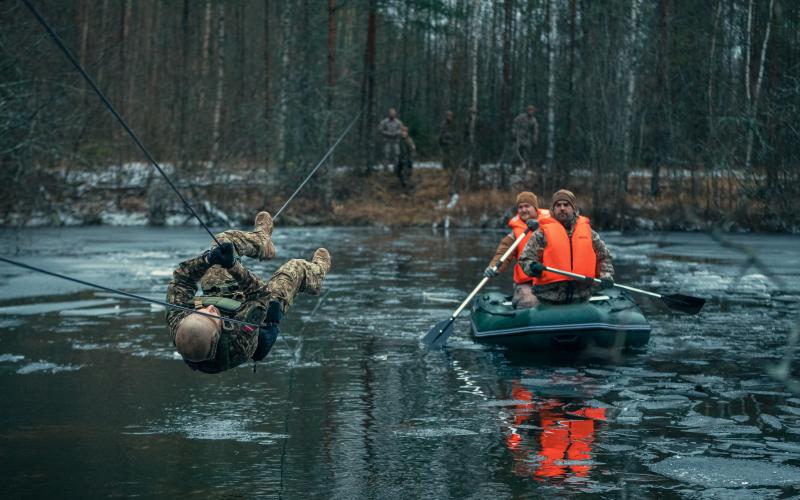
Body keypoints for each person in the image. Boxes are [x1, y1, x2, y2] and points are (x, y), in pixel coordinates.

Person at [166, 211, 331, 374]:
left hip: (221, 297)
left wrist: (209, 259)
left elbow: (182, 279)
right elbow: (261, 295)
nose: (210, 309)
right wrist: (232, 266)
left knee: (223, 242)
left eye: (201, 312)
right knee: (295, 269)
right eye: (213, 316)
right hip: (258, 312)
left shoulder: (177, 320)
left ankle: (262, 241)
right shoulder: (239, 341)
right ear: (218, 335)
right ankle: (316, 276)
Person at [519, 189, 614, 304]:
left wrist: (606, 275)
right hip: (549, 297)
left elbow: (604, 257)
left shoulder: (589, 232)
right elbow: (525, 259)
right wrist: (532, 267)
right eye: (558, 205)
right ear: (553, 209)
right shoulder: (541, 233)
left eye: (566, 205)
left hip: (581, 295)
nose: (562, 208)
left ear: (573, 208)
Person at [483, 191, 551, 308]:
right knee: (529, 302)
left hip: (551, 280)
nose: (523, 210)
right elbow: (503, 253)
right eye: (520, 207)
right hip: (527, 283)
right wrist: (493, 267)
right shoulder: (515, 234)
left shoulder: (552, 225)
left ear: (535, 208)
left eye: (527, 206)